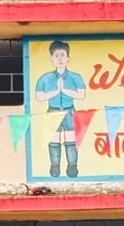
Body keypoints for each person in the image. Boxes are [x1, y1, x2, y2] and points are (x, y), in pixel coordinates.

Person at [35, 39, 87, 177]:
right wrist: (56, 91)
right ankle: (55, 168)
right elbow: (39, 97)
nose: (60, 59)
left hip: (69, 111)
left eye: (63, 55)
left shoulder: (75, 77)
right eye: (56, 55)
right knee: (54, 141)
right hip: (53, 111)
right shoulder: (45, 78)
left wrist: (65, 90)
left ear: (68, 57)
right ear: (51, 58)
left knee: (71, 141)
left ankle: (72, 168)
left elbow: (81, 95)